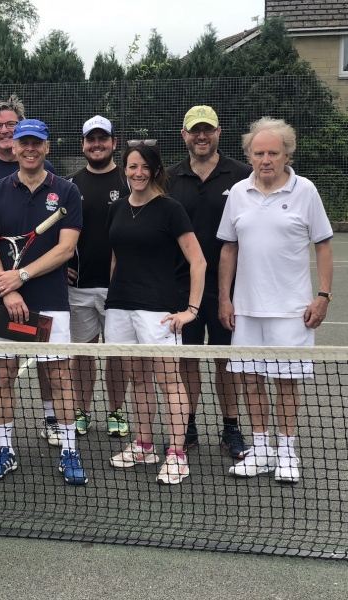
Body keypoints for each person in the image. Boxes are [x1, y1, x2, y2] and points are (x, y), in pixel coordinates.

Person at [217, 117, 333, 484]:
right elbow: (228, 249)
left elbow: (324, 246)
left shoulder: (306, 191)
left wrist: (323, 296)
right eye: (258, 153)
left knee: (285, 383)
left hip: (291, 312)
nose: (265, 159)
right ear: (249, 156)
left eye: (273, 152)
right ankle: (262, 449)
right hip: (247, 310)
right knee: (250, 380)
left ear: (286, 154)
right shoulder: (237, 193)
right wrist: (225, 297)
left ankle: (286, 453)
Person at [0, 119, 87, 485]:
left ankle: (70, 450)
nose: (29, 149)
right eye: (23, 142)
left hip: (49, 302)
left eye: (36, 143)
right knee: (3, 374)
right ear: (14, 146)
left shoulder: (67, 191)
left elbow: (66, 248)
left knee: (59, 375)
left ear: (47, 147)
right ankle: (5, 449)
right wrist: (7, 290)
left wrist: (21, 276)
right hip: (5, 303)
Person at [105, 140, 206, 485]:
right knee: (137, 377)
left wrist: (191, 309)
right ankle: (144, 444)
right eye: (132, 167)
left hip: (159, 310)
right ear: (125, 170)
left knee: (169, 380)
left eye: (145, 167)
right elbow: (117, 258)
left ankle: (176, 454)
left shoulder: (170, 209)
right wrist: (113, 298)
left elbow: (198, 261)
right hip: (120, 307)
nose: (138, 173)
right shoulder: (116, 209)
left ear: (156, 170)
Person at [0, 94, 59, 448]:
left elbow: (57, 233)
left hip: (38, 285)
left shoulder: (50, 177)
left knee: (46, 350)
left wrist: (29, 274)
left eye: (10, 125)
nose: (4, 131)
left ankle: (51, 416)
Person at [167, 105, 253, 459]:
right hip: (179, 288)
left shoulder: (244, 175)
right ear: (184, 135)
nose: (201, 136)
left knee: (224, 360)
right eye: (194, 130)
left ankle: (231, 428)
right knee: (186, 360)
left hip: (228, 290)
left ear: (219, 132)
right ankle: (187, 427)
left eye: (208, 130)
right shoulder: (169, 178)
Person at [65, 115, 129, 438]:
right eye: (91, 139)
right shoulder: (70, 185)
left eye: (103, 138)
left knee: (116, 354)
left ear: (114, 143)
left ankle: (116, 412)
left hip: (120, 290)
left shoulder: (130, 180)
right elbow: (56, 234)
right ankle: (82, 411)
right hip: (78, 287)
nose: (97, 144)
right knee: (82, 354)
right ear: (83, 145)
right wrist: (61, 265)